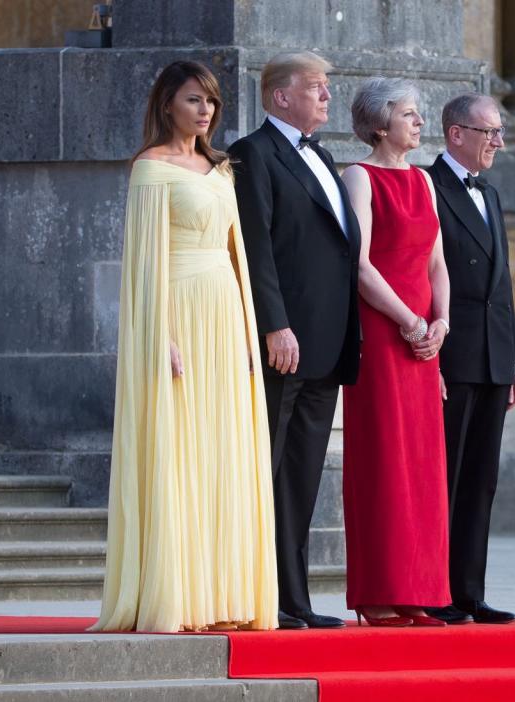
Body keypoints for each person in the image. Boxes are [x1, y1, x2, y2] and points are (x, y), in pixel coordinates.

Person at [91, 60, 278, 633]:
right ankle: (176, 594)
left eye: (212, 102)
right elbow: (144, 263)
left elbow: (238, 256)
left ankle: (219, 594)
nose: (206, 111)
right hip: (178, 311)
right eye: (195, 100)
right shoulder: (150, 169)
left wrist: (251, 328)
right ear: (168, 102)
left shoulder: (221, 168)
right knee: (181, 448)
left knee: (223, 450)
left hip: (223, 311)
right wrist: (159, 334)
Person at [228, 51, 361, 630]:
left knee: (302, 474)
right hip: (283, 340)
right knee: (267, 468)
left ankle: (295, 600)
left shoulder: (325, 156)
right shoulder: (253, 154)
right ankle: (257, 597)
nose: (327, 96)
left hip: (326, 344)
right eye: (316, 87)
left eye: (327, 87)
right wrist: (274, 324)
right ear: (281, 96)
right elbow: (256, 246)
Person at [340, 77, 452, 627]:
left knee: (424, 467)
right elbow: (358, 264)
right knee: (384, 461)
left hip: (423, 340)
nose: (419, 123)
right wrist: (408, 320)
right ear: (380, 123)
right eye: (410, 114)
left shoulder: (426, 182)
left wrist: (441, 323)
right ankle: (377, 593)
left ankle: (417, 591)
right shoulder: (358, 177)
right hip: (383, 334)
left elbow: (437, 263)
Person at [425, 93, 515, 625]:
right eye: (489, 132)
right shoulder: (429, 186)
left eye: (499, 132)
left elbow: (501, 283)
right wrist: (429, 355)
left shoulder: (490, 193)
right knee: (447, 475)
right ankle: (434, 589)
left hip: (492, 356)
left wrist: (514, 362)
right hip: (450, 354)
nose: (498, 142)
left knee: (481, 478)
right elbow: (420, 274)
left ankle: (469, 591)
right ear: (455, 133)